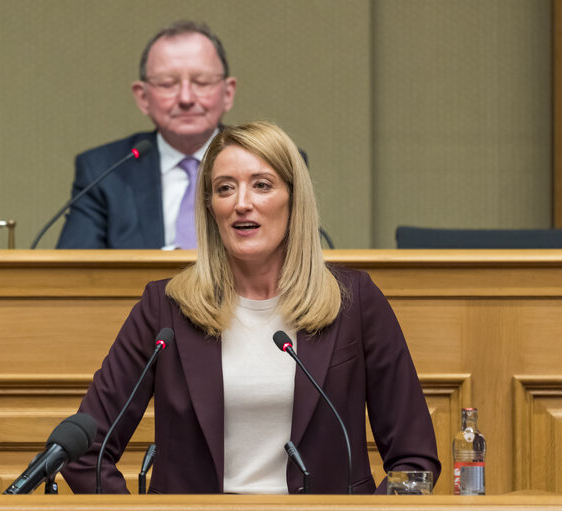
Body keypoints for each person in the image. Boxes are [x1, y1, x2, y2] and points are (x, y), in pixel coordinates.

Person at [61, 121, 440, 494]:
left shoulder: (354, 301)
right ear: (211, 208)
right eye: (225, 188)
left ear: (294, 199)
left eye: (262, 185)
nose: (242, 203)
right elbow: (86, 452)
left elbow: (414, 460)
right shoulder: (165, 307)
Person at [56, 20, 237, 249]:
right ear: (142, 97)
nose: (186, 98)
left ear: (228, 93)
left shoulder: (273, 163)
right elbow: (74, 272)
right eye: (167, 83)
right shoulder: (104, 170)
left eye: (201, 82)